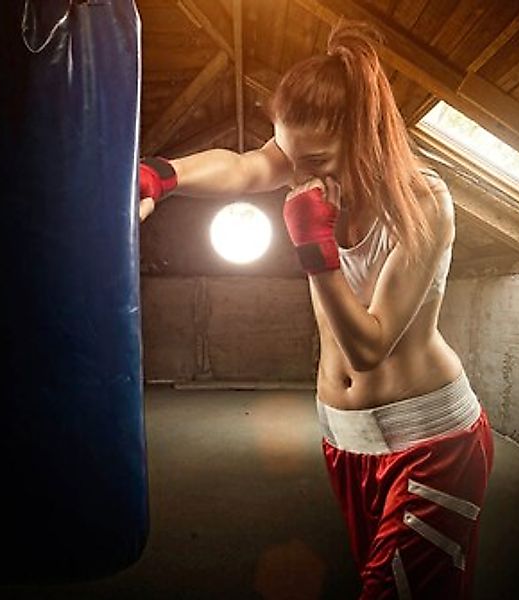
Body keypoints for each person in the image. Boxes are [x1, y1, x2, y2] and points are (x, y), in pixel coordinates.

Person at [138, 20, 494, 600]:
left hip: (432, 445)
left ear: (365, 136)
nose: (299, 174)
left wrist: (315, 252)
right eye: (290, 155)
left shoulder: (424, 201)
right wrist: (161, 175)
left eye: (317, 159)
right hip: (345, 442)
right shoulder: (308, 163)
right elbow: (244, 166)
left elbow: (370, 345)